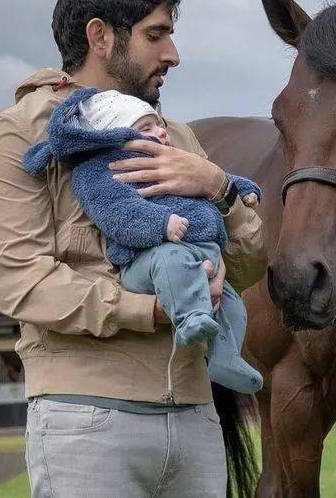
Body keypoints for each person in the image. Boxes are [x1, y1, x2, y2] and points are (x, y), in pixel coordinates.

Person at [0, 0, 265, 497]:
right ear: (100, 37)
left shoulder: (179, 138)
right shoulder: (17, 137)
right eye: (157, 35)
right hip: (87, 423)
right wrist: (155, 308)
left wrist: (218, 186)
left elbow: (248, 264)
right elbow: (19, 281)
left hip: (198, 419)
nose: (173, 54)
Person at [23, 88, 264, 394]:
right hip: (149, 257)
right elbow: (118, 214)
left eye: (158, 124)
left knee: (232, 302)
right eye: (146, 128)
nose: (160, 131)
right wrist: (161, 225)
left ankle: (227, 358)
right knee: (171, 262)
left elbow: (216, 178)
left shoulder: (174, 157)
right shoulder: (102, 171)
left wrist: (239, 188)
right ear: (116, 136)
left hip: (198, 252)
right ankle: (191, 320)